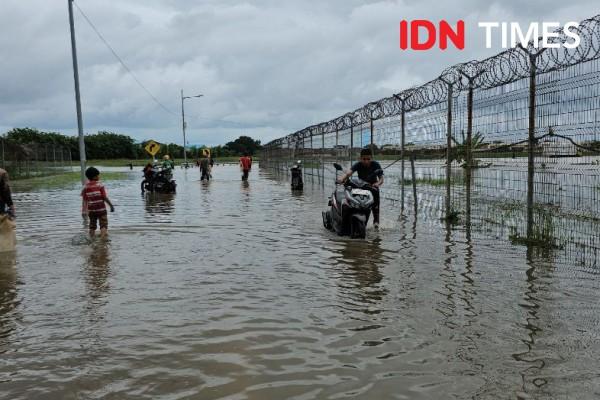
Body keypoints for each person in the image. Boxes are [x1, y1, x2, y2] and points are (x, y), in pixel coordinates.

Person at [337, 148, 384, 228]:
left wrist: (377, 183)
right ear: (360, 158)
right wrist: (342, 178)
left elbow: (381, 179)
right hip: (360, 187)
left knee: (375, 206)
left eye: (368, 159)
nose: (366, 161)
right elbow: (349, 173)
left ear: (371, 158)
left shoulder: (376, 165)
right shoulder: (358, 164)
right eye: (364, 159)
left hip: (372, 187)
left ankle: (376, 222)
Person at [81, 167, 115, 237]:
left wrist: (84, 211)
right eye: (98, 175)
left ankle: (91, 239)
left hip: (91, 210)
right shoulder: (100, 185)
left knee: (92, 226)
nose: (99, 176)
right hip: (101, 209)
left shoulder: (85, 187)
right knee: (103, 225)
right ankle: (102, 240)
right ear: (95, 176)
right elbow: (104, 197)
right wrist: (111, 206)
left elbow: (85, 200)